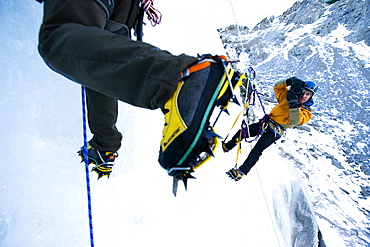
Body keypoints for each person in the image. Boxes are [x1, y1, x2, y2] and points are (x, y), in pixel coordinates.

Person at [36, 0, 242, 179]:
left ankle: (180, 79)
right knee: (96, 60)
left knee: (58, 37)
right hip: (127, 9)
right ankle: (104, 145)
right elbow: (100, 70)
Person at [224, 77, 318, 181]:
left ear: (311, 97)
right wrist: (288, 82)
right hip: (266, 123)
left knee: (257, 150)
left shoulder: (307, 112)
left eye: (308, 94)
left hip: (276, 131)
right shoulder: (288, 95)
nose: (304, 96)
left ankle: (241, 172)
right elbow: (277, 87)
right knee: (243, 132)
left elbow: (295, 121)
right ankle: (227, 147)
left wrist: (294, 103)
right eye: (304, 92)